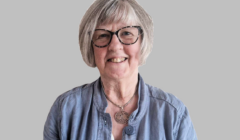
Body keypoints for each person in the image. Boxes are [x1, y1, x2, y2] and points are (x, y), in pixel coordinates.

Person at [43, 0, 197, 139]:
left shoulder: (173, 114)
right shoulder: (65, 110)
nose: (115, 45)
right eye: (103, 35)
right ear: (90, 46)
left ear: (142, 42)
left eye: (127, 33)